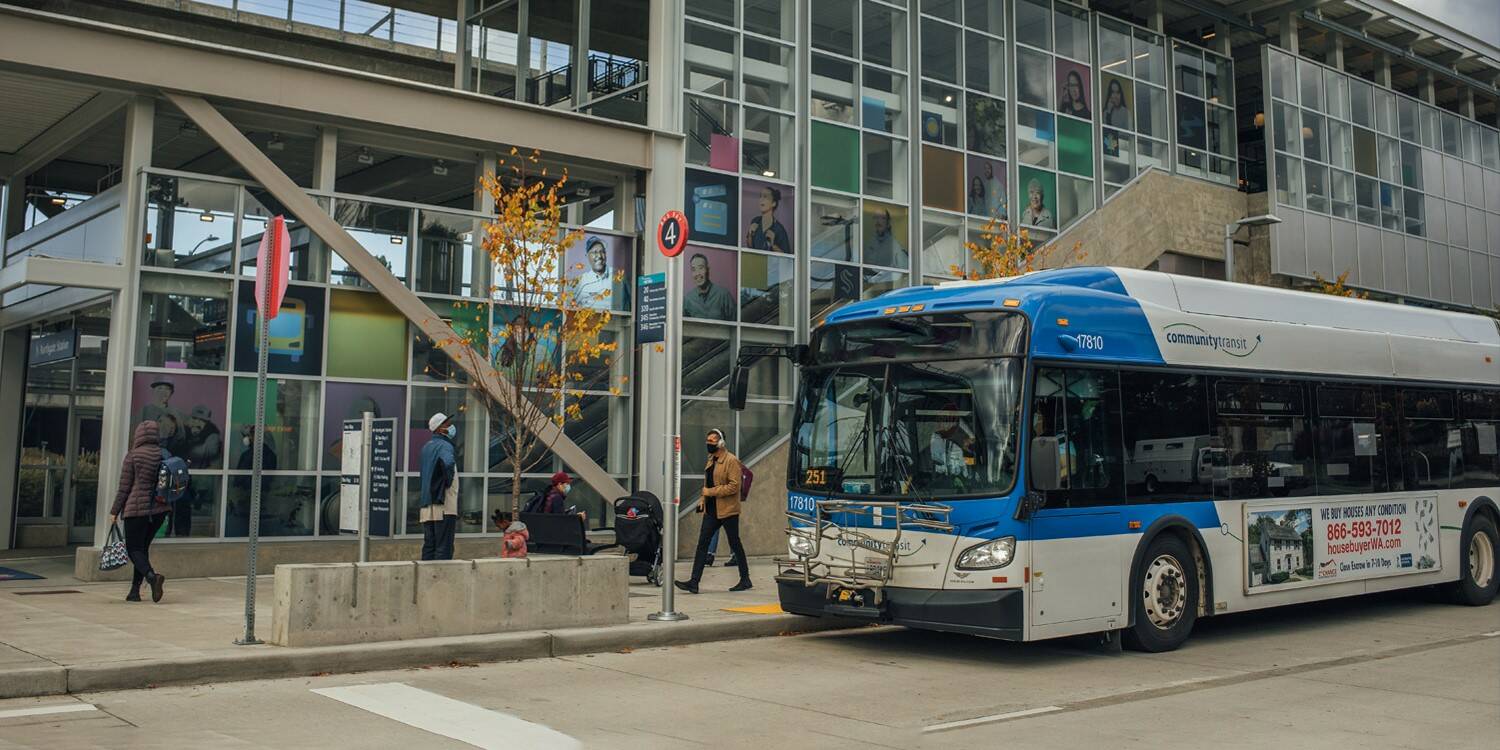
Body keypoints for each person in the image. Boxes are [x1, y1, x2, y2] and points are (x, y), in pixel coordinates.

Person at [676, 429, 751, 594]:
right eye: (707, 440)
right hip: (711, 510)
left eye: (712, 441)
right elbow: (708, 483)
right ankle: (694, 582)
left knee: (735, 543)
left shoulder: (731, 461)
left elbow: (734, 486)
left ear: (721, 443)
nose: (708, 444)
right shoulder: (712, 459)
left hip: (728, 510)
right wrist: (703, 500)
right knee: (702, 544)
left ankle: (745, 579)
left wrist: (710, 493)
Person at [110, 421, 169, 602]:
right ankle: (134, 591)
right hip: (159, 510)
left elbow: (124, 488)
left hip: (136, 510)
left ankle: (152, 577)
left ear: (139, 435)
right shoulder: (164, 454)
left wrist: (114, 511)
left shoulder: (133, 456)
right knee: (142, 550)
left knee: (133, 549)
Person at [418, 412, 459, 561]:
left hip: (426, 505)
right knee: (444, 546)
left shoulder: (426, 447)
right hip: (443, 504)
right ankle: (441, 580)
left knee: (429, 545)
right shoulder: (444, 445)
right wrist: (448, 482)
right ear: (440, 429)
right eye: (447, 424)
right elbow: (448, 463)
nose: (451, 427)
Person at [573, 236, 629, 310]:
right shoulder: (581, 281)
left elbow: (630, 305)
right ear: (587, 256)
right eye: (594, 252)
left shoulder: (618, 276)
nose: (599, 256)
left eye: (602, 252)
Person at [682, 252, 736, 321]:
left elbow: (735, 326)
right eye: (693, 269)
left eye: (701, 268)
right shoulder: (688, 300)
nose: (697, 273)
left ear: (708, 270)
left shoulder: (724, 295)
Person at [744, 185, 791, 253]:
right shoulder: (755, 221)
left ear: (773, 203)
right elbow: (750, 247)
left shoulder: (779, 229)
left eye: (765, 197)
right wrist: (750, 235)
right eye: (760, 196)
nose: (761, 199)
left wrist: (772, 245)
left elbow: (786, 257)